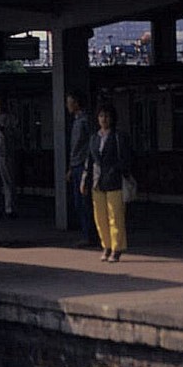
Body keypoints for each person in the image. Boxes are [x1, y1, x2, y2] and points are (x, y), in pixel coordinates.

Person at [81, 104, 132, 262]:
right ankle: (106, 246)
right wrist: (84, 179)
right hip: (97, 181)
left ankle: (117, 248)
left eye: (107, 116)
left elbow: (125, 158)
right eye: (101, 116)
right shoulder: (94, 138)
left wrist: (118, 171)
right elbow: (89, 160)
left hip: (114, 180)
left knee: (115, 216)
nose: (104, 119)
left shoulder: (118, 137)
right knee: (100, 217)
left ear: (112, 119)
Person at [66, 91, 99, 248]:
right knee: (79, 202)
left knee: (84, 202)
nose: (67, 106)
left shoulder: (85, 121)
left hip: (84, 166)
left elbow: (89, 146)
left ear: (76, 104)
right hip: (76, 165)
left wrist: (87, 166)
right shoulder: (76, 121)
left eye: (69, 102)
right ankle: (87, 234)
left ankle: (90, 235)